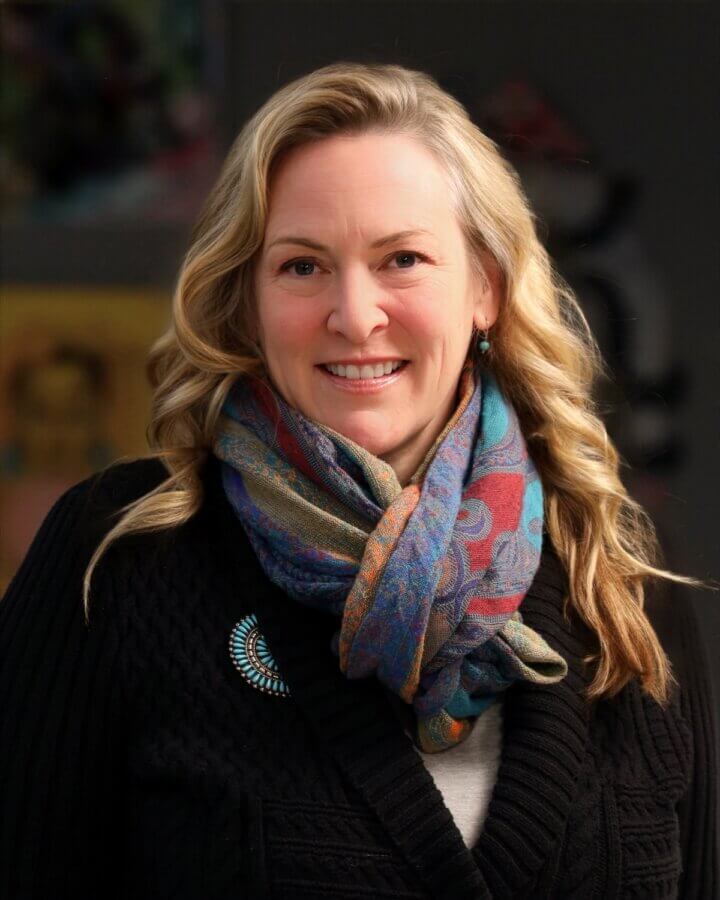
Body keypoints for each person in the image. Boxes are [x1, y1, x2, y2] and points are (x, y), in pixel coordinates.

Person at [0, 62, 717, 900]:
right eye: (302, 266)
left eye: (402, 259)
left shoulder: (616, 574)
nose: (355, 314)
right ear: (249, 298)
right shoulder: (121, 561)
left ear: (483, 286)